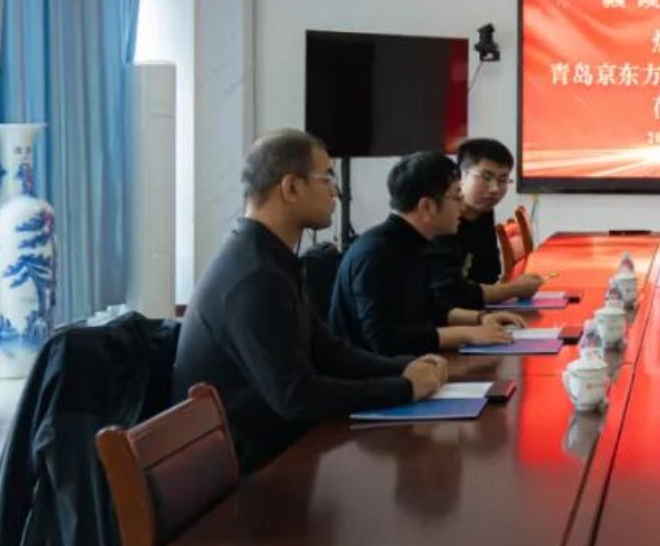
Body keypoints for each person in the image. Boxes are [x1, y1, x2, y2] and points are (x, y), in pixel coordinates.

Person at [174, 130, 448, 473]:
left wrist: (404, 367)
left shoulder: (273, 258)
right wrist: (403, 388)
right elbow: (296, 395)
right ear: (291, 187)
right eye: (327, 178)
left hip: (281, 444)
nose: (336, 191)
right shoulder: (254, 276)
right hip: (250, 469)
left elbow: (327, 351)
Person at [329, 152, 528, 356]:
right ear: (427, 206)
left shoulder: (415, 242)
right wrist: (468, 334)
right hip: (375, 371)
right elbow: (385, 340)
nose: (462, 207)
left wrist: (480, 319)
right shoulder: (377, 253)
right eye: (457, 197)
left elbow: (431, 308)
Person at [439, 138, 544, 308]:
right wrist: (512, 289)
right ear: (460, 175)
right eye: (486, 177)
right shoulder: (441, 221)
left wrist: (510, 289)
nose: (494, 189)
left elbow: (488, 276)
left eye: (502, 180)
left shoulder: (484, 213)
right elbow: (448, 294)